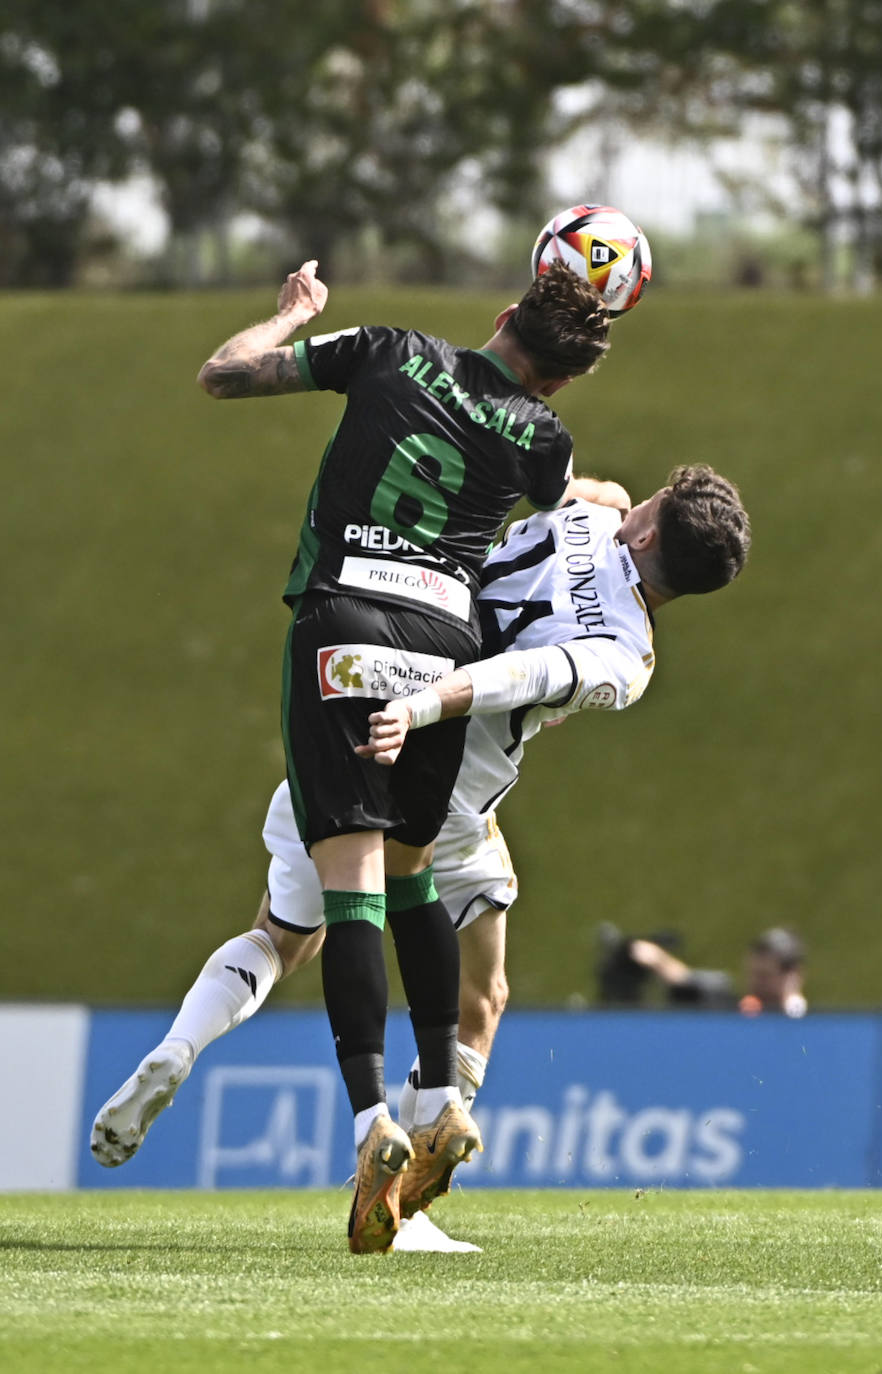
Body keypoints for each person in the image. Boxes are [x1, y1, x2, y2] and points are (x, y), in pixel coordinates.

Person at [92, 466, 750, 1248]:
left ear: (645, 529)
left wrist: (594, 498)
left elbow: (585, 497)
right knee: (486, 995)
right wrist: (433, 706)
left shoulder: (587, 515)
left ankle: (180, 1045)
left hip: (354, 735)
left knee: (281, 938)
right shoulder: (626, 658)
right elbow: (526, 674)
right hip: (450, 797)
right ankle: (405, 1205)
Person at [193, 258, 614, 1253]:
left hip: (342, 622)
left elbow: (223, 374)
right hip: (440, 656)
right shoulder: (545, 440)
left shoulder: (388, 353)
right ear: (558, 382)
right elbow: (566, 506)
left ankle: (370, 1122)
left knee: (349, 891)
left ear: (502, 314)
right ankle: (440, 1100)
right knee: (415, 877)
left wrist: (288, 317)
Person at [597, 925, 807, 1016]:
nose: (755, 982)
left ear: (792, 975)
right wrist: (656, 959)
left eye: (764, 976)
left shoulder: (803, 1021)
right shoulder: (746, 1009)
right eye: (753, 974)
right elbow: (686, 979)